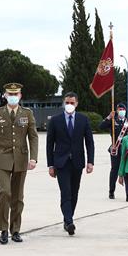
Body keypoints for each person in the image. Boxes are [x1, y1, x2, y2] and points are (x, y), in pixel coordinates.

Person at [0, 83, 38, 245]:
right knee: (5, 192)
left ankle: (15, 229)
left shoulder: (27, 114)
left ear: (20, 96)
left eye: (16, 94)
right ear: (5, 95)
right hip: (2, 158)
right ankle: (3, 229)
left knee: (18, 196)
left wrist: (33, 158)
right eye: (10, 94)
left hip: (21, 159)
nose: (13, 96)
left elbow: (33, 137)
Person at [46, 92, 94, 236]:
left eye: (72, 103)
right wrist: (50, 165)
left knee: (74, 192)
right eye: (67, 102)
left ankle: (68, 219)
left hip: (77, 162)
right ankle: (69, 220)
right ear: (63, 103)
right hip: (61, 162)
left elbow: (89, 142)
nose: (69, 105)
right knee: (65, 192)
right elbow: (50, 144)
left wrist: (90, 161)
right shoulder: (55, 120)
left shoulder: (83, 120)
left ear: (77, 104)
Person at [99, 103, 128, 200]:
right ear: (116, 111)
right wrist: (108, 117)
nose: (121, 111)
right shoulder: (113, 121)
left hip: (126, 149)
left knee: (127, 170)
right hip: (115, 148)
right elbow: (101, 126)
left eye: (123, 109)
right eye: (119, 109)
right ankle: (111, 191)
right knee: (114, 170)